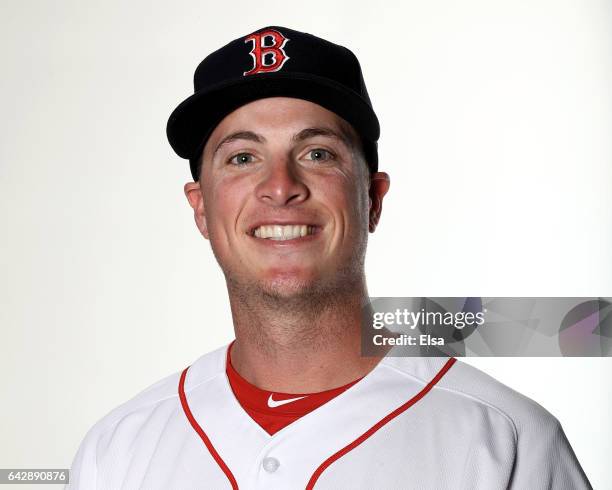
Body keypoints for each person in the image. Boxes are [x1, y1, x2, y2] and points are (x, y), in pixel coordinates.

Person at [67, 26, 592, 489]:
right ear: (201, 209)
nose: (280, 187)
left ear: (372, 199)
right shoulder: (117, 449)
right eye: (242, 157)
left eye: (317, 153)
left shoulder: (509, 443)